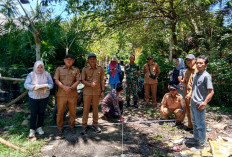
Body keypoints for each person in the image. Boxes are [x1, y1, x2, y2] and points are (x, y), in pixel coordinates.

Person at [189, 56, 214, 149]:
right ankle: (196, 139)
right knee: (194, 123)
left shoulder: (206, 76)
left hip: (199, 104)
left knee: (200, 125)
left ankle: (202, 144)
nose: (198, 65)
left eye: (201, 63)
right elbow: (194, 87)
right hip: (193, 103)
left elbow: (211, 92)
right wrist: (190, 94)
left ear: (205, 65)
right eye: (197, 63)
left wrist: (204, 103)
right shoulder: (196, 74)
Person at [24, 61, 54, 138]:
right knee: (33, 113)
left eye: (41, 67)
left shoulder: (47, 74)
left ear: (43, 67)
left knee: (41, 112)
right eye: (38, 67)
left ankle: (39, 127)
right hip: (33, 96)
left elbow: (51, 84)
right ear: (35, 67)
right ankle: (32, 130)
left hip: (44, 96)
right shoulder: (31, 74)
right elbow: (26, 84)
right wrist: (33, 87)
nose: (40, 69)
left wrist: (46, 86)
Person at [54, 54, 81, 138]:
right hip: (61, 94)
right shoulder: (59, 69)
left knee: (72, 112)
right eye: (67, 59)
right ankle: (59, 128)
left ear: (73, 61)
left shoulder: (76, 70)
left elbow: (78, 80)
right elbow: (56, 79)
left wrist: (72, 87)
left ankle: (72, 126)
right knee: (60, 111)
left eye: (71, 59)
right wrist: (63, 87)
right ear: (64, 60)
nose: (69, 60)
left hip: (72, 94)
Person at [80, 53, 105, 135]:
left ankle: (95, 125)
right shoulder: (85, 69)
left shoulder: (100, 69)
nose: (92, 60)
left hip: (97, 92)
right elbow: (82, 80)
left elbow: (102, 80)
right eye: (90, 59)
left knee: (95, 109)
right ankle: (84, 126)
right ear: (88, 60)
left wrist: (102, 91)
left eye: (94, 59)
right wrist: (90, 84)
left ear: (96, 60)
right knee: (86, 109)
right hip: (87, 92)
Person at [179, 54, 197, 131]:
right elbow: (185, 82)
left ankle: (196, 128)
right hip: (187, 92)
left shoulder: (197, 70)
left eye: (190, 60)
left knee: (195, 111)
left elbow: (197, 84)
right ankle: (190, 126)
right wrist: (181, 81)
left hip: (195, 93)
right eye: (187, 60)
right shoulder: (187, 70)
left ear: (194, 60)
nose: (188, 61)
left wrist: (191, 93)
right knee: (188, 110)